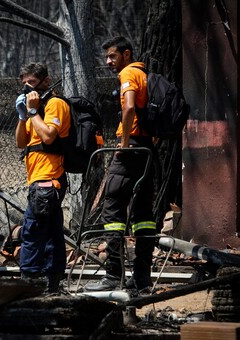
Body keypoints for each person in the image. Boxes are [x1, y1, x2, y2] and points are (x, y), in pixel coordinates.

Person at [84, 36, 157, 293]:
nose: (108, 62)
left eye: (112, 56)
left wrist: (123, 143)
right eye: (107, 57)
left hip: (130, 150)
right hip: (148, 151)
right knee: (143, 217)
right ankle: (142, 278)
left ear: (126, 54)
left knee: (112, 211)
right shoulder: (147, 75)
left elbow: (127, 108)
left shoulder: (128, 73)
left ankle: (114, 274)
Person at [15, 63, 71, 294]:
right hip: (37, 180)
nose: (27, 89)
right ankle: (52, 283)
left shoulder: (54, 105)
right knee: (52, 233)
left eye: (31, 83)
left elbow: (48, 137)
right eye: (24, 84)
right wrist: (22, 116)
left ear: (46, 82)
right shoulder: (34, 110)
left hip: (48, 179)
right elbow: (20, 143)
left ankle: (28, 282)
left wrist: (32, 112)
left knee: (32, 232)